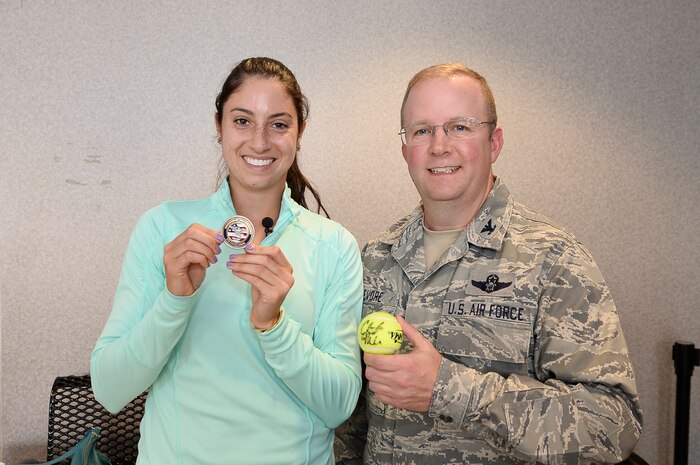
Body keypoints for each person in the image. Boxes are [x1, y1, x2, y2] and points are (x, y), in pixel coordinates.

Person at [336, 63, 642, 464]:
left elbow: (612, 426)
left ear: (494, 143)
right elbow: (354, 415)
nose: (439, 146)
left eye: (460, 127)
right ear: (405, 149)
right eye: (422, 130)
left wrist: (448, 387)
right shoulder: (378, 256)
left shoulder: (552, 259)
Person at [91, 57, 363, 465]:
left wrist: (274, 326)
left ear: (300, 133)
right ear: (218, 127)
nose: (259, 142)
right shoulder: (163, 227)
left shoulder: (334, 245)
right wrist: (174, 300)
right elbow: (110, 389)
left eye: (279, 123)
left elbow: (339, 404)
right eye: (241, 121)